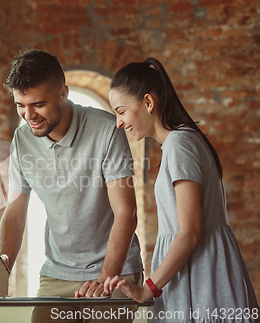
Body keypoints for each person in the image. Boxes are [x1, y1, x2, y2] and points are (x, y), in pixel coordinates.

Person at [105, 58, 260, 322]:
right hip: (196, 276)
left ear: (148, 103)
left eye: (121, 111)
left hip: (204, 280)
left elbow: (190, 233)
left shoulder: (179, 145)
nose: (119, 122)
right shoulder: (182, 142)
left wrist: (147, 289)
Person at [0, 49, 144, 323]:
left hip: (114, 273)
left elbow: (126, 213)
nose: (29, 115)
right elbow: (15, 213)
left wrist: (104, 279)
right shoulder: (22, 139)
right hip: (58, 273)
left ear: (63, 93)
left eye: (38, 104)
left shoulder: (106, 130)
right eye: (21, 105)